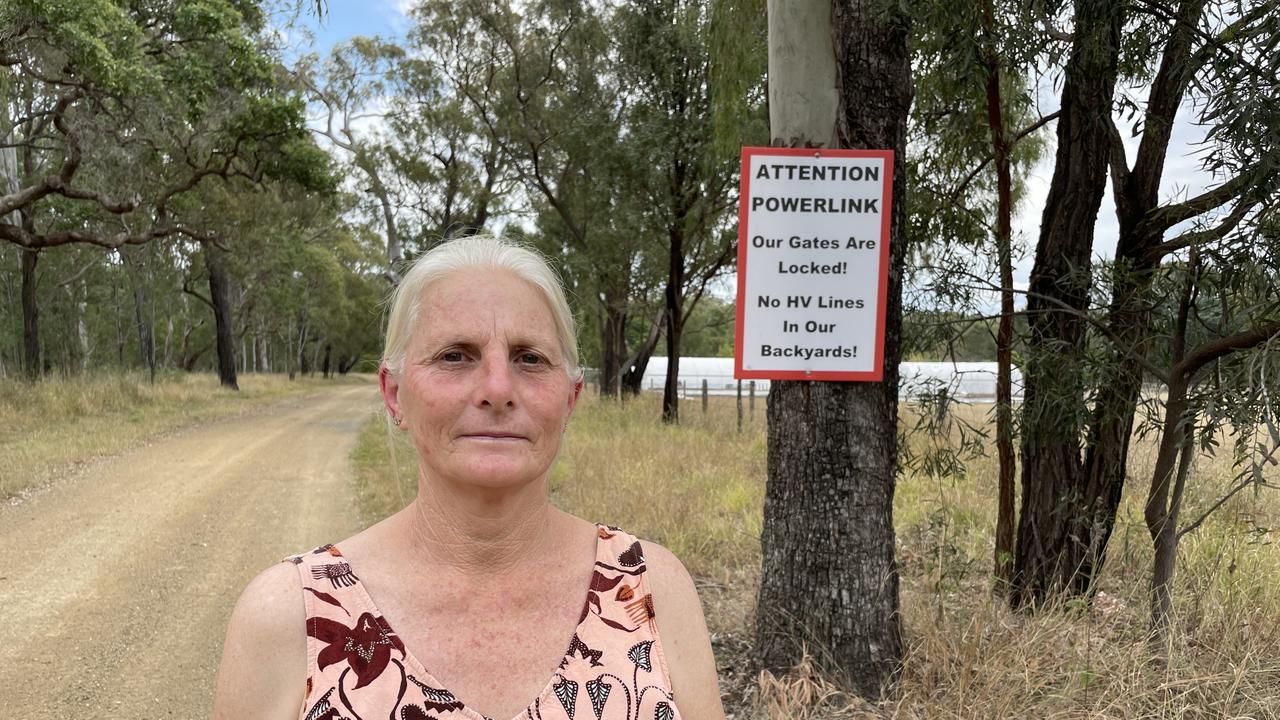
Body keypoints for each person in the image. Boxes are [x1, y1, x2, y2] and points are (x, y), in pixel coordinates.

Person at [213, 235, 725, 720]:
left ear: (570, 398)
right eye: (455, 356)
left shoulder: (652, 591)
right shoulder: (290, 618)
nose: (498, 388)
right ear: (395, 395)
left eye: (530, 358)